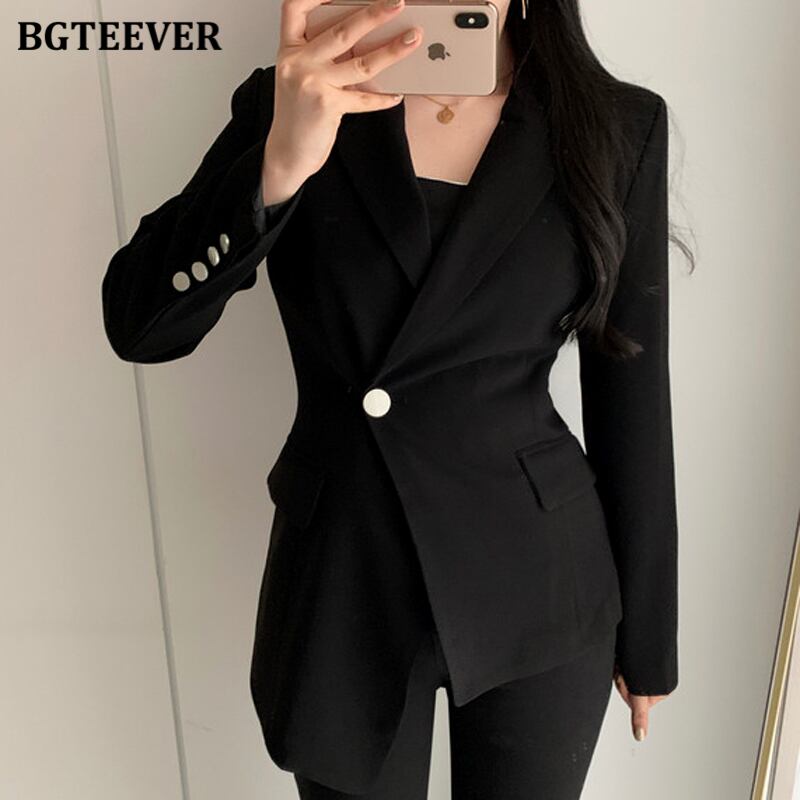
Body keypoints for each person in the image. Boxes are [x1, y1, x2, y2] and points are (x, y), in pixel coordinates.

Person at [102, 0, 690, 796]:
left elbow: (631, 392)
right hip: (344, 579)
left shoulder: (614, 126)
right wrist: (278, 167)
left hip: (538, 581)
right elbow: (139, 325)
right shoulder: (297, 97)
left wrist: (649, 639)